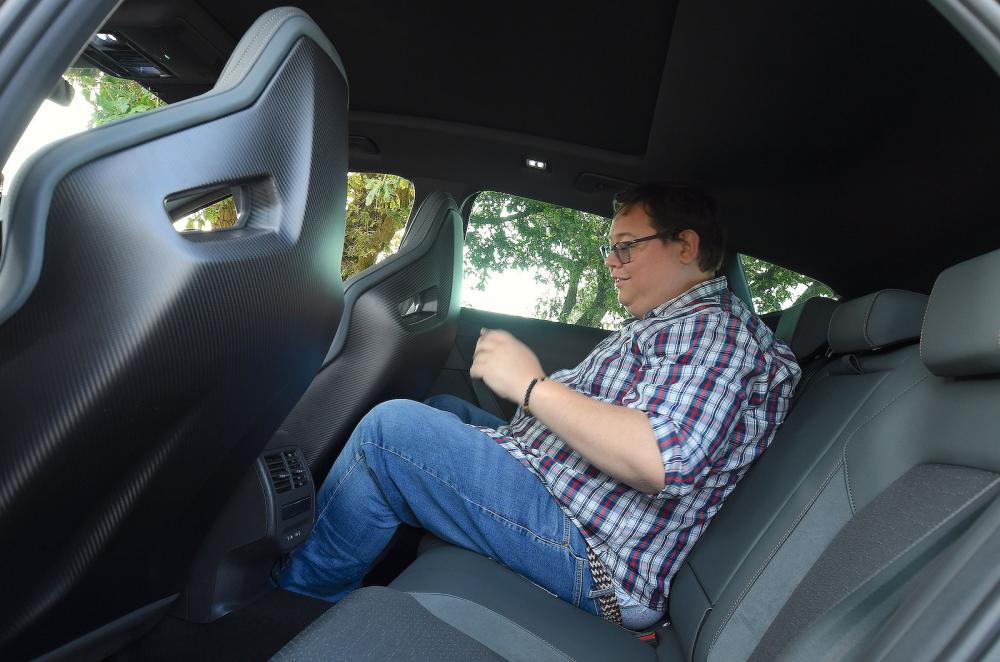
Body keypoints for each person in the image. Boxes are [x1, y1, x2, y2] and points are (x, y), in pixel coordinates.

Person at [278, 183, 801, 630]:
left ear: (685, 245)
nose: (612, 263)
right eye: (608, 249)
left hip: (598, 558)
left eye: (627, 247)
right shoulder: (666, 323)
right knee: (441, 406)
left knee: (390, 435)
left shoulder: (718, 330)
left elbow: (659, 459)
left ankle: (296, 606)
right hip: (570, 500)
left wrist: (532, 385)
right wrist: (532, 393)